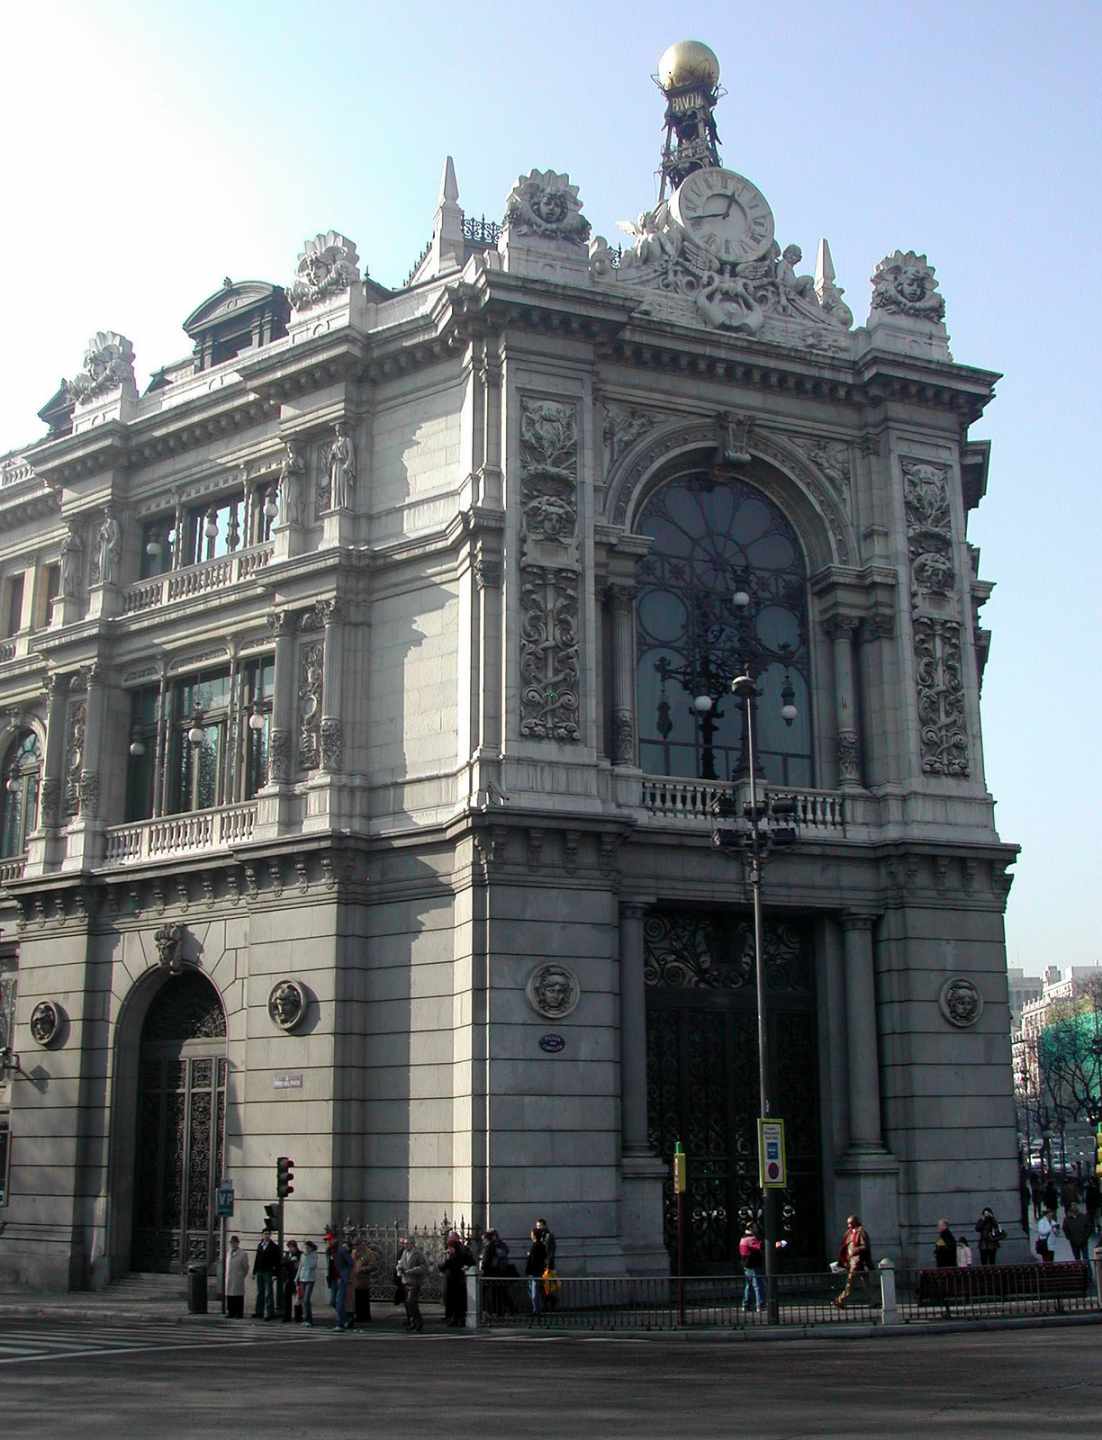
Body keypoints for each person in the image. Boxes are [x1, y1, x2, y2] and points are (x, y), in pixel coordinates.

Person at [833, 1214, 871, 1308]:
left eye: (850, 1223)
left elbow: (865, 1246)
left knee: (850, 1283)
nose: (848, 1225)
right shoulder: (849, 1233)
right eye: (848, 1223)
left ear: (855, 1222)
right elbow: (845, 1246)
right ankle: (875, 1300)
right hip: (851, 1262)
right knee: (866, 1284)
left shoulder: (861, 1232)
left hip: (858, 1262)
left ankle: (840, 1300)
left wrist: (855, 1250)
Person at [439, 1230, 475, 1327]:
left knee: (457, 1301)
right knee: (453, 1301)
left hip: (457, 1280)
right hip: (454, 1280)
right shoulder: (454, 1254)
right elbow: (442, 1266)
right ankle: (455, 1318)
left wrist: (466, 1267)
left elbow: (443, 1266)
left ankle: (458, 1319)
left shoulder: (459, 1253)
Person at [396, 1236, 428, 1333]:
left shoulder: (418, 1254)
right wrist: (399, 1268)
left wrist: (411, 1271)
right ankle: (413, 1322)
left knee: (411, 1302)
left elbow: (423, 1267)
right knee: (408, 1304)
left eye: (407, 1243)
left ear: (412, 1244)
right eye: (404, 1243)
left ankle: (418, 1323)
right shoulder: (405, 1252)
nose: (405, 1245)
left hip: (414, 1282)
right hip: (405, 1281)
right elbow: (401, 1263)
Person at [479, 1229, 513, 1316]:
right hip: (496, 1272)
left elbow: (490, 1260)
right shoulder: (493, 1245)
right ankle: (500, 1311)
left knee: (498, 1293)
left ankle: (500, 1311)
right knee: (498, 1293)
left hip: (496, 1272)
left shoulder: (494, 1246)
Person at [253, 1228, 280, 1319]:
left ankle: (269, 1313)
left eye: (268, 1234)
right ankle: (259, 1312)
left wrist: (275, 1274)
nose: (267, 1235)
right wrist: (254, 1271)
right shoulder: (260, 1245)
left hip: (268, 1271)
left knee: (269, 1292)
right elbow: (257, 1259)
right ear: (262, 1235)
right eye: (265, 1233)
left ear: (270, 1235)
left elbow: (277, 1262)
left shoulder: (274, 1247)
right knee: (260, 1292)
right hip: (260, 1271)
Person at [738, 1222, 765, 1312]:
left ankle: (746, 1305)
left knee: (748, 1286)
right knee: (758, 1285)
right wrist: (778, 1244)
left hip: (747, 1265)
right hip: (753, 1265)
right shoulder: (751, 1238)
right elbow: (761, 1246)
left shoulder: (743, 1237)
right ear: (750, 1228)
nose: (757, 1229)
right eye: (755, 1227)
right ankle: (760, 1305)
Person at [351, 1238, 377, 1326]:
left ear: (362, 1244)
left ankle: (365, 1316)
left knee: (363, 1298)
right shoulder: (354, 1252)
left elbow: (373, 1266)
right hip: (355, 1279)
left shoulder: (369, 1253)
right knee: (356, 1298)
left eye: (357, 1245)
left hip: (363, 1279)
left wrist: (363, 1269)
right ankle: (358, 1315)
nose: (356, 1247)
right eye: (355, 1245)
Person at [224, 1235, 250, 1319]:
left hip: (238, 1277)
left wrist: (242, 1275)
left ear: (237, 1243)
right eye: (231, 1243)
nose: (232, 1244)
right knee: (230, 1296)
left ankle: (239, 1313)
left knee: (238, 1296)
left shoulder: (242, 1253)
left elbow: (246, 1267)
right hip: (230, 1277)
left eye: (234, 1243)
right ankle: (231, 1312)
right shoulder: (228, 1253)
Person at [525, 1227, 548, 1316]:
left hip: (534, 1271)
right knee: (536, 1290)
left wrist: (529, 1256)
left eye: (531, 1234)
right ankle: (538, 1308)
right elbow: (544, 1257)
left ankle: (536, 1310)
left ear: (534, 1235)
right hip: (539, 1270)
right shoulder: (541, 1245)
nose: (530, 1235)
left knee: (534, 1291)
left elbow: (533, 1260)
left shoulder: (535, 1246)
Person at [332, 1235, 354, 1330]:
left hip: (341, 1278)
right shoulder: (333, 1252)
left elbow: (351, 1262)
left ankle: (340, 1323)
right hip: (335, 1278)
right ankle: (345, 1319)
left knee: (339, 1301)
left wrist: (346, 1275)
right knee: (334, 1301)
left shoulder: (342, 1251)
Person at [296, 1240, 319, 1327]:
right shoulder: (302, 1255)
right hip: (302, 1279)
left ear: (310, 1248)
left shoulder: (314, 1255)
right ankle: (306, 1319)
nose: (305, 1248)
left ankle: (309, 1320)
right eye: (304, 1247)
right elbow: (300, 1267)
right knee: (303, 1299)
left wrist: (307, 1256)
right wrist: (296, 1277)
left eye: (306, 1247)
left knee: (306, 1299)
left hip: (310, 1279)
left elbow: (312, 1266)